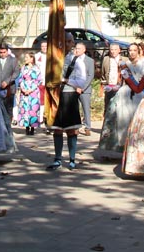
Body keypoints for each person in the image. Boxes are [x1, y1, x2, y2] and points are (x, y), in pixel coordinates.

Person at [95, 42, 144, 162]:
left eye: (134, 50)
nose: (131, 52)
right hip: (124, 94)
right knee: (120, 121)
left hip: (138, 94)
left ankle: (136, 149)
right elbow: (121, 80)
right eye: (130, 50)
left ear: (138, 51)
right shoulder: (124, 64)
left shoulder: (143, 65)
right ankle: (119, 149)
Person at [46, 39, 92, 170]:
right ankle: (57, 159)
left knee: (71, 129)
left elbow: (81, 82)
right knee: (57, 129)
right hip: (56, 95)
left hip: (69, 95)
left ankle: (72, 159)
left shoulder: (77, 61)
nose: (66, 44)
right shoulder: (54, 58)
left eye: (69, 42)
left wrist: (65, 80)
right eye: (64, 41)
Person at [12, 53, 43, 135]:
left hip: (33, 91)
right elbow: (20, 79)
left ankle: (32, 127)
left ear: (31, 58)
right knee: (25, 108)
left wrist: (31, 89)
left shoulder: (36, 69)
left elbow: (39, 80)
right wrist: (23, 88)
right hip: (24, 90)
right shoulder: (23, 68)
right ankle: (26, 127)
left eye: (27, 57)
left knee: (33, 108)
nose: (25, 59)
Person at [0, 43, 18, 120]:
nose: (2, 54)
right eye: (1, 52)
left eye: (4, 52)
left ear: (7, 51)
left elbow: (16, 72)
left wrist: (7, 82)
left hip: (9, 89)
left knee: (8, 110)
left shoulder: (13, 60)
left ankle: (8, 129)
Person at [101, 43, 124, 113]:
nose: (113, 51)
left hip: (120, 87)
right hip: (109, 87)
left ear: (119, 50)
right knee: (108, 108)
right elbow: (103, 74)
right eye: (111, 49)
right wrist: (103, 87)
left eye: (115, 49)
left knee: (119, 109)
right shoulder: (106, 59)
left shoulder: (124, 60)